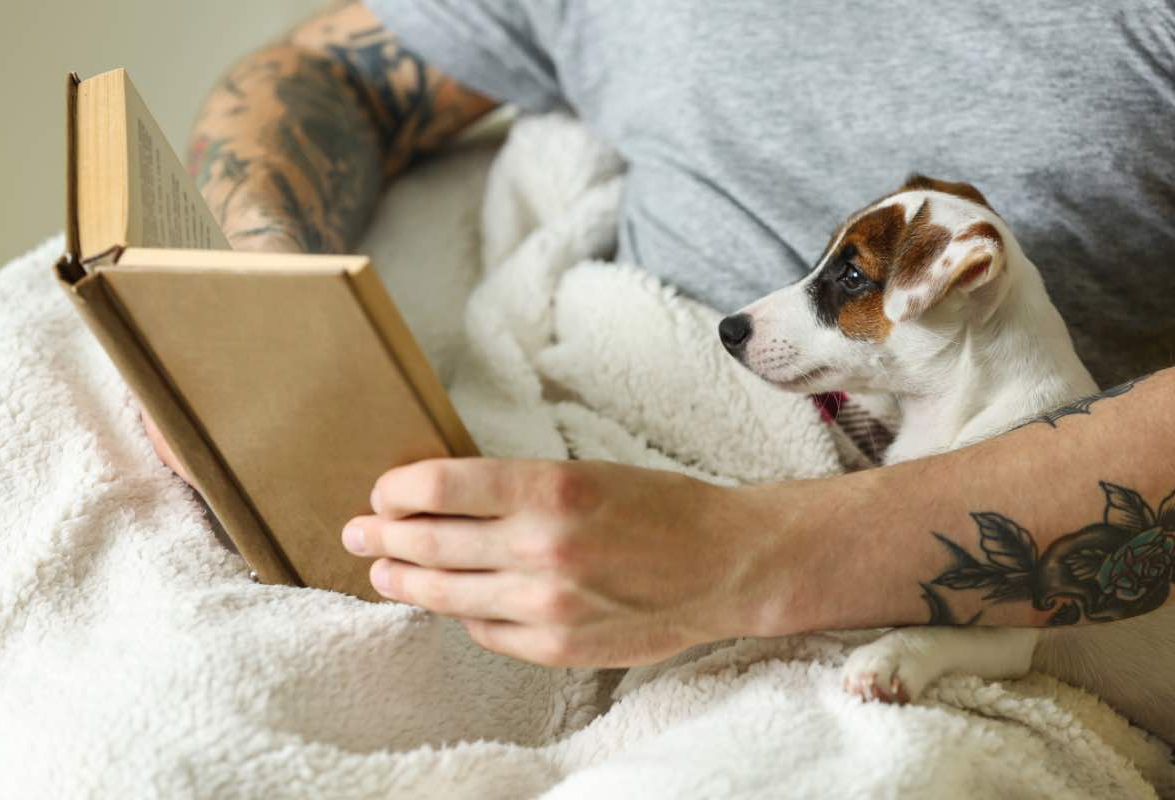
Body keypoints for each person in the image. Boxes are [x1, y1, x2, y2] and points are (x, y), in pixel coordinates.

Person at [150, 0, 1175, 668]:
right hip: (566, 434)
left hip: (979, 595)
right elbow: (333, 76)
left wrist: (751, 557)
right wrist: (266, 288)